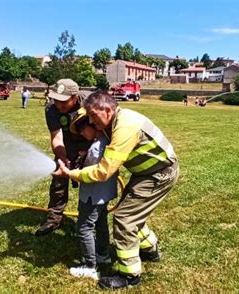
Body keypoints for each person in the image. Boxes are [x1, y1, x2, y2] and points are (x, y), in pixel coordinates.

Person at [53, 91, 179, 290]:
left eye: (94, 116)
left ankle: (129, 275)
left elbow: (104, 171)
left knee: (125, 218)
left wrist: (72, 174)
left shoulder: (125, 126)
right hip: (146, 173)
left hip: (159, 174)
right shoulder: (113, 121)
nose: (92, 122)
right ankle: (150, 249)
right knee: (132, 213)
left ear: (108, 110)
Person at [68, 108, 118, 280]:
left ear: (92, 124)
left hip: (92, 195)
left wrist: (73, 170)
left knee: (84, 227)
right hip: (103, 195)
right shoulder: (104, 142)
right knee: (101, 223)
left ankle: (90, 266)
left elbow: (89, 172)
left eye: (82, 128)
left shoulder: (96, 148)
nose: (81, 132)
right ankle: (103, 255)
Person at [37, 79, 91, 236]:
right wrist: (62, 158)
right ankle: (54, 219)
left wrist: (87, 151)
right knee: (58, 184)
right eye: (56, 100)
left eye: (63, 101)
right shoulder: (51, 110)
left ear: (75, 98)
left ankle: (87, 221)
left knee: (90, 183)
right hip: (67, 145)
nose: (58, 105)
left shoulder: (89, 102)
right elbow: (56, 137)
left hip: (90, 144)